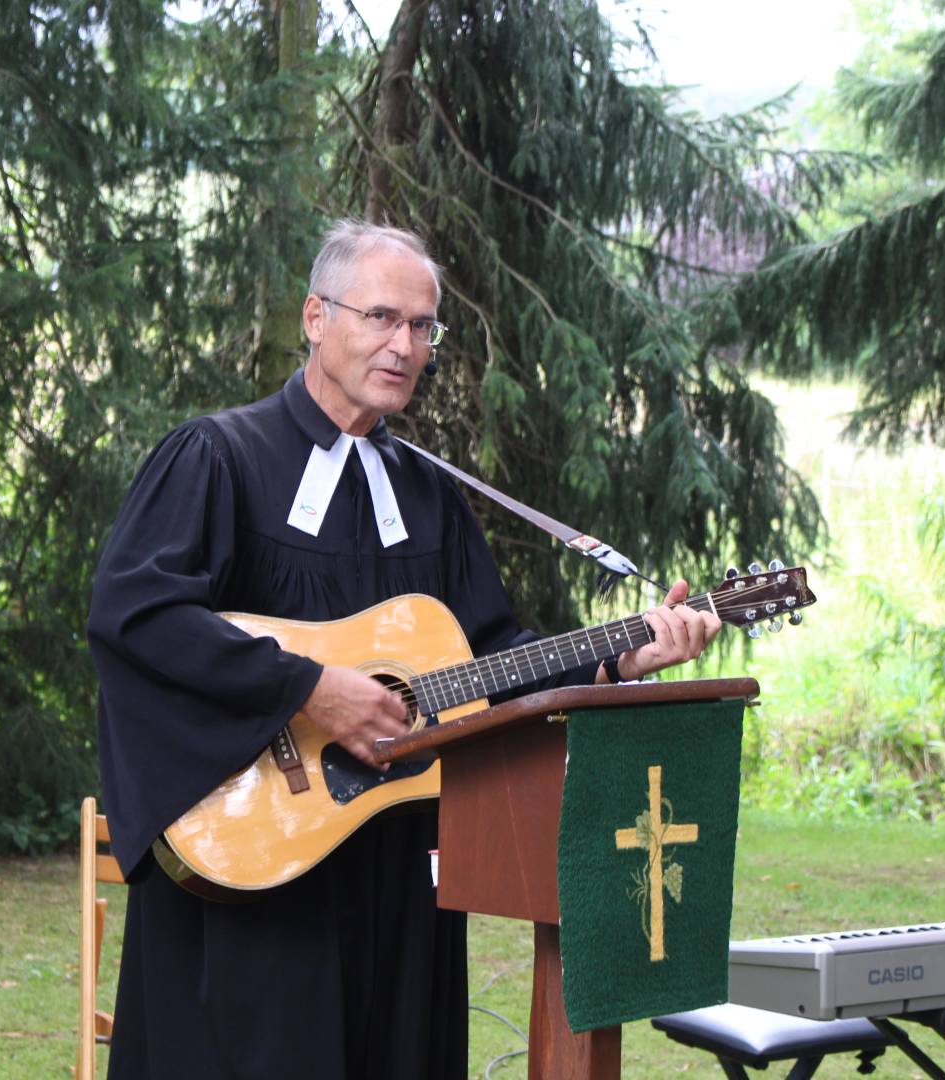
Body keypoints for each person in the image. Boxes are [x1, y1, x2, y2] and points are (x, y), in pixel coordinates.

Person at [87, 220, 721, 1079]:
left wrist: (617, 658)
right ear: (316, 317)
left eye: (423, 327)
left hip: (398, 866)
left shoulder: (429, 494)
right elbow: (138, 613)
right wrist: (309, 688)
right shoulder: (218, 458)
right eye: (382, 317)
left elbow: (493, 656)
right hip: (257, 855)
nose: (405, 345)